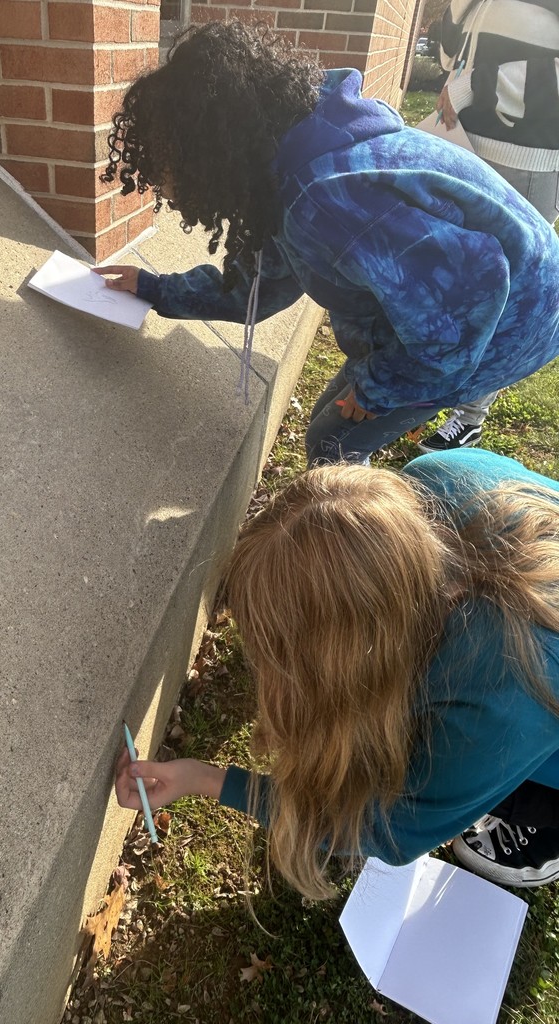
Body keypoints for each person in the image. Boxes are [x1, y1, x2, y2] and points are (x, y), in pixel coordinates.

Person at [94, 21, 559, 467]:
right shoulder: (292, 156)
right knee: (334, 418)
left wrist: (384, 388)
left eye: (164, 163)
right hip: (474, 305)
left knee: (333, 439)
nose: (159, 181)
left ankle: (361, 541)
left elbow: (464, 307)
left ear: (209, 150)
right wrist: (155, 288)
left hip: (516, 316)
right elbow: (259, 286)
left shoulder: (326, 201)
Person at [116, 448, 559, 898]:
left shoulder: (501, 697)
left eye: (288, 661)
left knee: (479, 778)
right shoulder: (433, 479)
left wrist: (212, 781)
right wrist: (194, 776)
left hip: (539, 717)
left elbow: (391, 831)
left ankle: (543, 843)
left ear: (356, 661)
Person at [418, 0, 559, 454]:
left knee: (506, 294)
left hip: (528, 165)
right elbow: (449, 54)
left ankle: (470, 417)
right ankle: (418, 389)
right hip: (463, 145)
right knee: (447, 278)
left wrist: (474, 85)